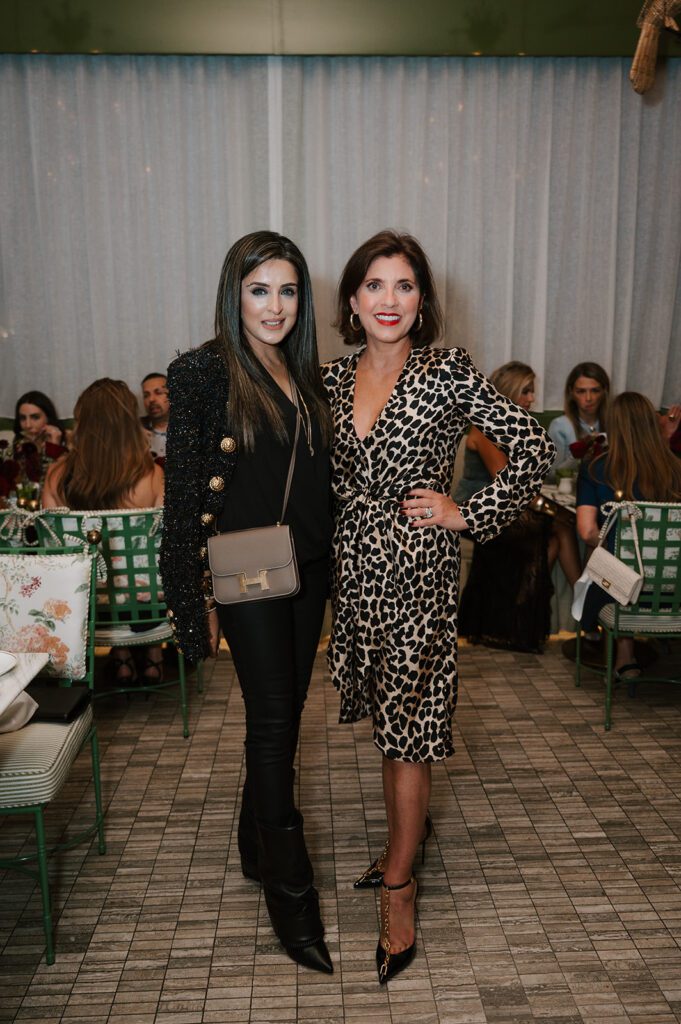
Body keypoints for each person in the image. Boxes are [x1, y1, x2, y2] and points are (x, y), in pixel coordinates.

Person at [322, 230, 554, 983]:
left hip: (419, 571)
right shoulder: (328, 378)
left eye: (404, 286)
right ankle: (399, 847)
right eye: (374, 286)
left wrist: (467, 515)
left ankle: (398, 891)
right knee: (385, 726)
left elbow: (531, 448)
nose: (389, 300)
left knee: (410, 731)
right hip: (354, 572)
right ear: (352, 301)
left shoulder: (446, 369)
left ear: (422, 301)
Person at [160, 231, 334, 975]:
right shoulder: (200, 372)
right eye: (259, 289)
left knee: (286, 716)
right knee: (271, 727)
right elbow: (180, 504)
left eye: (288, 290)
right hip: (245, 572)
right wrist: (187, 600)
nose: (275, 305)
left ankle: (252, 843)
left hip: (309, 569)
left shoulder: (308, 375)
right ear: (235, 292)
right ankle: (291, 899)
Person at [41, 378, 165, 682]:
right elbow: (166, 544)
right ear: (128, 422)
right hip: (145, 601)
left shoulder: (57, 475)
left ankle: (121, 658)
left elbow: (51, 546)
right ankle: (152, 653)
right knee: (145, 569)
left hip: (84, 602)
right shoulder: (152, 474)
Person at [455, 360, 580, 653]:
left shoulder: (508, 427)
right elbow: (507, 481)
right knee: (559, 527)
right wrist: (548, 506)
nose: (531, 399)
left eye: (532, 392)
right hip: (474, 514)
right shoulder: (484, 429)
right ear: (508, 393)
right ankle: (578, 598)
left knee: (556, 532)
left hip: (499, 509)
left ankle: (522, 611)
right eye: (526, 391)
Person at [576, 391, 681, 680]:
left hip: (622, 591)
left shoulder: (597, 468)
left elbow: (587, 532)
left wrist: (616, 550)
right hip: (673, 591)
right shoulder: (676, 469)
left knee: (611, 565)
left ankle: (625, 656)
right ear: (652, 424)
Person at [548, 362, 610, 478]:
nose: (588, 398)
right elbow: (551, 474)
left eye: (595, 391)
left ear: (604, 391)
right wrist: (577, 455)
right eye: (581, 391)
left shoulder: (614, 423)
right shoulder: (560, 426)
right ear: (571, 392)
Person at [141, 373, 169, 460]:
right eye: (146, 395)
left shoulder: (191, 428)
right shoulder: (135, 430)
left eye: (158, 392)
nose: (151, 399)